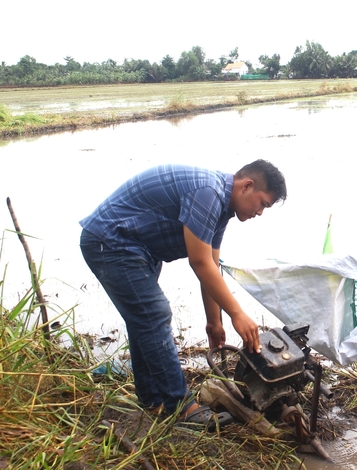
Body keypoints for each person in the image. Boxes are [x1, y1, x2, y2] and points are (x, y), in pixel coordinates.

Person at [79, 160, 287, 430]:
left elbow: (210, 267)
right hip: (112, 241)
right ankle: (181, 405)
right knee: (154, 314)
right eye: (262, 204)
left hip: (137, 249)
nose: (259, 212)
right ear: (247, 186)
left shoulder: (221, 208)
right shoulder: (207, 192)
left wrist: (215, 323)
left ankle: (153, 400)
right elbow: (199, 262)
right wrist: (237, 314)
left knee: (144, 320)